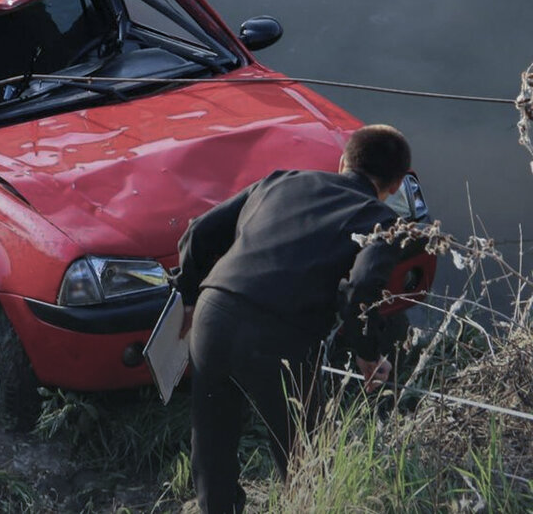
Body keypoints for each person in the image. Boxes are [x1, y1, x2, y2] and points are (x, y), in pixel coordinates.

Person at [173, 124, 411, 514]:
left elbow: (199, 231)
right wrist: (368, 354)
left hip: (213, 312)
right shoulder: (380, 220)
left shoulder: (280, 181)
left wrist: (186, 297)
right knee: (306, 457)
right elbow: (360, 290)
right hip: (278, 335)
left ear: (342, 162)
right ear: (398, 185)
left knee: (213, 439)